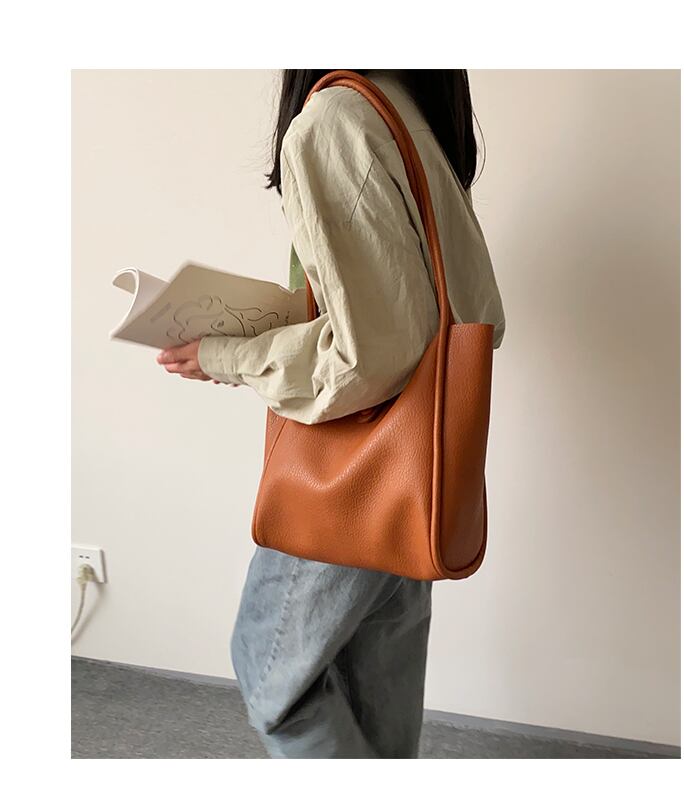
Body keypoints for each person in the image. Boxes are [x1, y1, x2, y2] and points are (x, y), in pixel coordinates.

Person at [156, 69, 505, 758]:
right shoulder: (407, 104)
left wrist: (230, 355)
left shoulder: (334, 119)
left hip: (355, 463)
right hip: (415, 462)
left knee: (273, 679)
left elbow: (368, 356)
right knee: (378, 691)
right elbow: (443, 314)